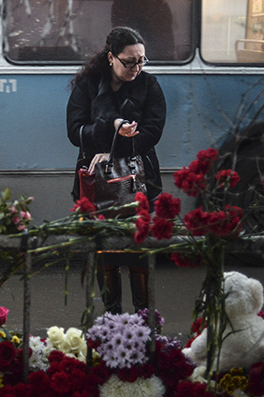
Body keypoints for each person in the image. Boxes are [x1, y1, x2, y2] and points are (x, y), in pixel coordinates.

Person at [66, 26, 166, 314]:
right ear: (111, 58)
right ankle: (113, 319)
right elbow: (74, 132)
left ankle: (144, 321)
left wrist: (111, 149)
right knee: (104, 252)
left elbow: (151, 134)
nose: (137, 67)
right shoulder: (88, 85)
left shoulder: (150, 85)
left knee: (138, 252)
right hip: (97, 185)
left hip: (139, 183)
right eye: (130, 61)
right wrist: (110, 128)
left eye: (142, 60)